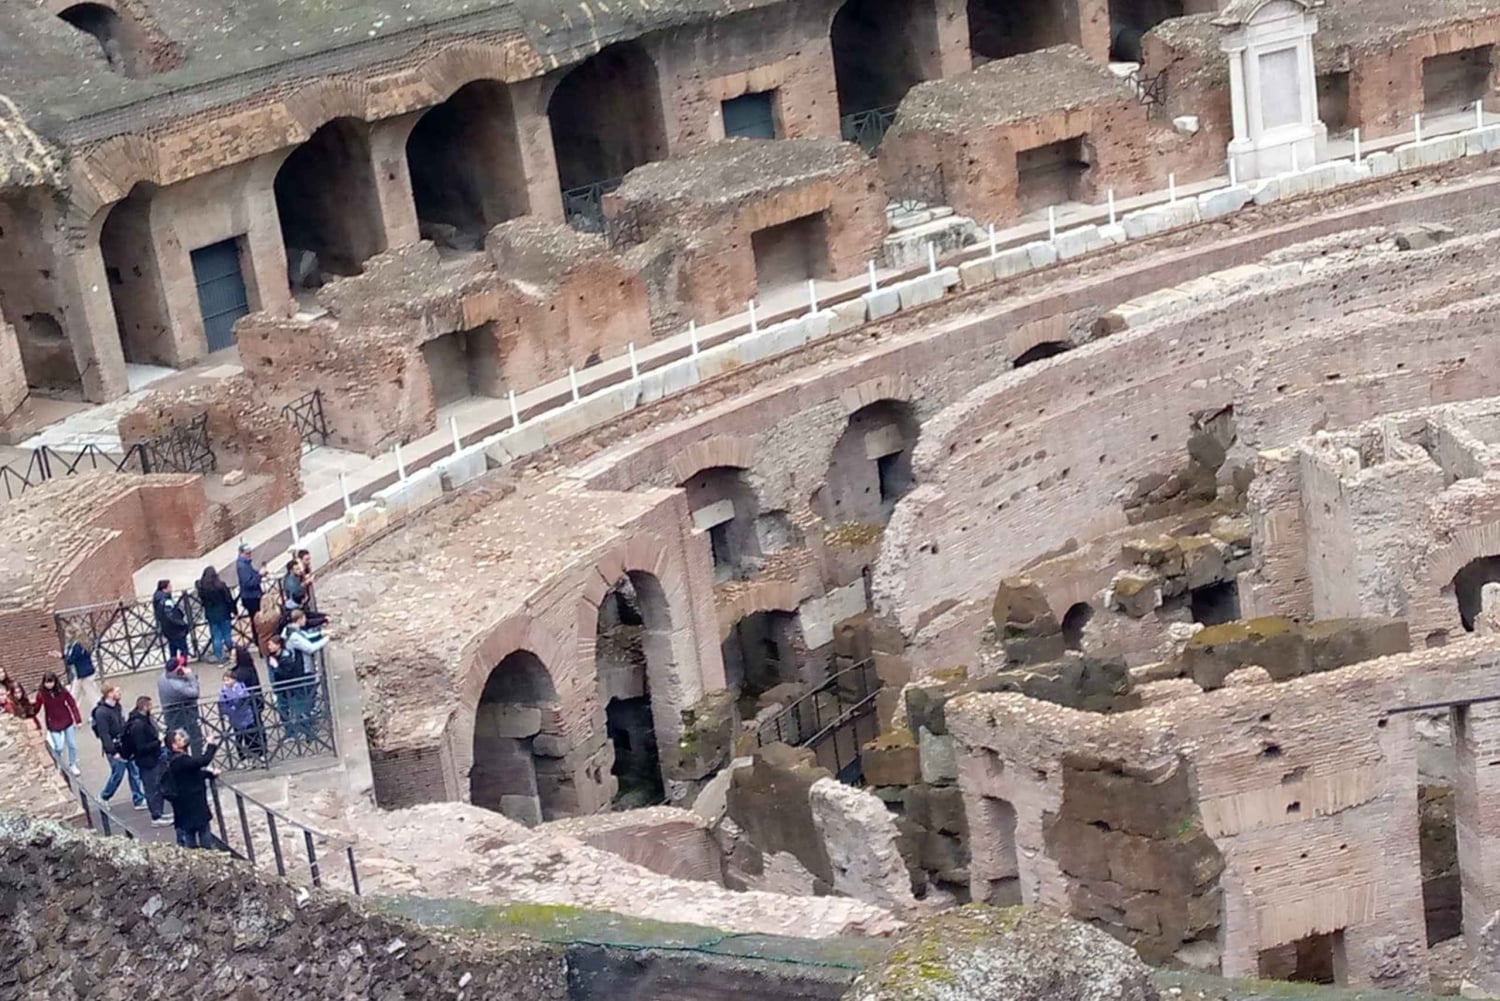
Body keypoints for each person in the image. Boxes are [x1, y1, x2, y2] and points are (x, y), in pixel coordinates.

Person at [91, 684, 146, 810]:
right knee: (118, 774)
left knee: (134, 771)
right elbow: (104, 734)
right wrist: (112, 751)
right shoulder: (101, 712)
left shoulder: (117, 706)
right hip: (115, 747)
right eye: (117, 691)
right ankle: (104, 796)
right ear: (109, 694)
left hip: (125, 745)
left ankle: (138, 799)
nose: (120, 693)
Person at [164, 729, 219, 849]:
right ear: (174, 745)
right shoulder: (181, 760)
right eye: (179, 740)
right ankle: (206, 855)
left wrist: (209, 774)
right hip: (192, 801)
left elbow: (193, 773)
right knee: (202, 830)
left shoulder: (175, 760)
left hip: (184, 803)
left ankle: (194, 854)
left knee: (190, 830)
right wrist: (210, 745)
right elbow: (202, 761)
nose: (183, 740)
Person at [121, 696, 171, 827]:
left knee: (156, 786)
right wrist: (158, 741)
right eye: (150, 706)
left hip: (152, 758)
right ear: (145, 707)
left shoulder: (143, 720)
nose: (152, 708)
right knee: (151, 788)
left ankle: (159, 812)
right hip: (147, 761)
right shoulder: (138, 725)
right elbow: (141, 748)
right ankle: (156, 816)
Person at [35, 672, 82, 775]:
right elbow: (36, 707)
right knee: (59, 746)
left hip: (66, 720)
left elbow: (72, 703)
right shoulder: (41, 695)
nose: (49, 685)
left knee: (72, 744)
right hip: (53, 723)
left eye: (51, 682)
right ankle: (58, 764)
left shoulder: (62, 691)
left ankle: (72, 764)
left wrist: (77, 719)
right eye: (47, 683)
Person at [157, 653, 203, 755]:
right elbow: (194, 693)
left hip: (172, 714)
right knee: (195, 738)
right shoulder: (176, 685)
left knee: (176, 738)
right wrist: (191, 677)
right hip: (184, 714)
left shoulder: (163, 677)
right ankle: (197, 760)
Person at [218, 671, 262, 763]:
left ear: (234, 679)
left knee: (251, 736)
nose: (226, 682)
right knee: (238, 738)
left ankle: (256, 754)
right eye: (225, 680)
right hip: (235, 718)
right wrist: (231, 711)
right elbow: (223, 705)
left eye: (228, 680)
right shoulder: (223, 691)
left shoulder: (241, 686)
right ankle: (242, 758)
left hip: (246, 715)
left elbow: (245, 697)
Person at [196, 566, 236, 663]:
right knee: (227, 634)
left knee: (216, 636)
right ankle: (232, 653)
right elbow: (228, 599)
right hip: (224, 612)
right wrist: (234, 611)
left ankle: (219, 656)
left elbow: (202, 599)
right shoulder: (221, 585)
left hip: (211, 614)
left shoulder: (202, 587)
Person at [152, 579, 191, 662]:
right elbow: (171, 616)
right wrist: (182, 624)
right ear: (164, 589)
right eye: (170, 586)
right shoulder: (166, 601)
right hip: (175, 629)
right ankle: (181, 666)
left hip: (167, 629)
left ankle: (174, 667)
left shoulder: (158, 598)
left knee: (173, 649)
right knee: (183, 650)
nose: (172, 588)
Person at [235, 543, 265, 645]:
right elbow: (248, 583)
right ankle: (258, 641)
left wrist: (258, 574)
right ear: (241, 553)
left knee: (256, 620)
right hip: (251, 597)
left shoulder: (246, 564)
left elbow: (251, 575)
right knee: (256, 620)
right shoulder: (242, 566)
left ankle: (259, 640)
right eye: (247, 553)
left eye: (250, 553)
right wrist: (259, 575)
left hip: (251, 596)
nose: (249, 555)